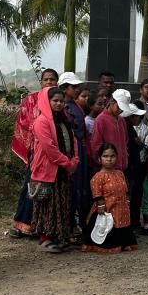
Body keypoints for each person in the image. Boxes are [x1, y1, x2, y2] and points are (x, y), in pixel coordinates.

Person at [8, 68, 59, 238]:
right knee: (31, 188)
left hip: (54, 154)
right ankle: (23, 224)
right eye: (46, 79)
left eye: (52, 79)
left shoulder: (58, 100)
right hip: (36, 153)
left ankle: (44, 227)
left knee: (52, 193)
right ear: (41, 81)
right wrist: (37, 132)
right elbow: (23, 121)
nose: (49, 82)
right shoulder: (31, 100)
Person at [31, 87, 80, 252]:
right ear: (47, 101)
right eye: (55, 101)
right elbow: (49, 148)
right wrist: (67, 163)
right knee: (48, 206)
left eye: (61, 101)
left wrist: (75, 160)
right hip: (48, 170)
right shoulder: (41, 121)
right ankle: (45, 239)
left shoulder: (64, 120)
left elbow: (73, 141)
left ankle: (59, 237)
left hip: (64, 170)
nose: (59, 104)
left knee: (62, 204)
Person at [82, 143, 138, 254]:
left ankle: (124, 243)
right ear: (99, 159)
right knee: (110, 225)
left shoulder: (120, 173)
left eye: (112, 156)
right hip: (107, 209)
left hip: (122, 208)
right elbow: (97, 193)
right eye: (105, 156)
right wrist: (101, 205)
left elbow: (125, 189)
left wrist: (127, 201)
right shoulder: (98, 176)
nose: (109, 159)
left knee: (123, 224)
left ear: (116, 157)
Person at [59, 73, 90, 241]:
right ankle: (67, 228)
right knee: (70, 190)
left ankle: (75, 226)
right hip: (69, 152)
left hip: (80, 151)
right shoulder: (62, 106)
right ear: (65, 88)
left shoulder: (76, 106)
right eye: (73, 86)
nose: (77, 89)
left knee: (79, 189)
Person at [123, 101, 147, 230]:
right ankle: (129, 223)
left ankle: (134, 222)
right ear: (130, 117)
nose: (138, 118)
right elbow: (135, 146)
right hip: (130, 168)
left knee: (136, 196)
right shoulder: (126, 128)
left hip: (135, 166)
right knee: (130, 197)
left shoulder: (130, 128)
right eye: (136, 116)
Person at [89, 94, 128, 171]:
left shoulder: (121, 120)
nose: (120, 110)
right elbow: (96, 145)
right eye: (119, 107)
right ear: (112, 102)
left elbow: (125, 141)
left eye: (123, 109)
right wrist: (103, 163)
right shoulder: (100, 120)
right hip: (106, 168)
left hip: (121, 168)